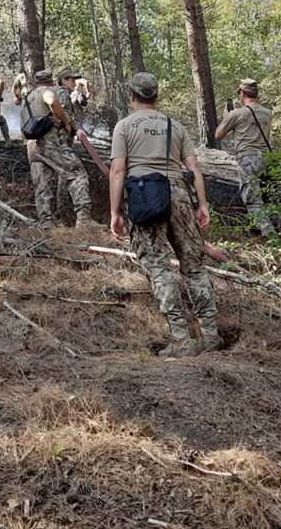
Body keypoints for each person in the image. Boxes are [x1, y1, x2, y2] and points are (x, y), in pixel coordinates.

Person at [109, 72, 219, 358]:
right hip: (181, 196)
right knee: (194, 266)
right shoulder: (176, 126)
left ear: (131, 96)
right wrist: (203, 205)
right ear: (156, 97)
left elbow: (118, 171)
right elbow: (194, 169)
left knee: (158, 267)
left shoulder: (124, 126)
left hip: (146, 198)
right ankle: (210, 335)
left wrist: (115, 211)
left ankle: (181, 338)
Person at [20, 69, 102, 229]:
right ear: (52, 81)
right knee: (77, 173)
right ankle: (84, 219)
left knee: (41, 182)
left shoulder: (27, 97)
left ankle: (46, 221)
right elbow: (51, 101)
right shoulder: (50, 91)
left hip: (31, 145)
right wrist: (65, 122)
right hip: (49, 141)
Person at [215, 78, 276, 236]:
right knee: (267, 196)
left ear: (241, 93)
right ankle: (280, 229)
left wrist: (226, 118)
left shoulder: (237, 113)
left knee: (252, 198)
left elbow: (218, 135)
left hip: (247, 158)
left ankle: (271, 235)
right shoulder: (267, 113)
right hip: (267, 158)